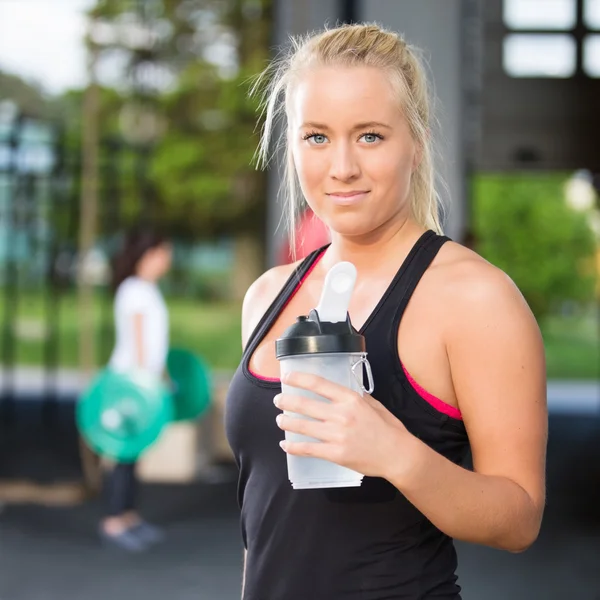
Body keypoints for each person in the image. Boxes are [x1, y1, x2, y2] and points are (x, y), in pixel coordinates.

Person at [224, 23, 547, 599]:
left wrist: (395, 453)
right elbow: (263, 523)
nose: (341, 167)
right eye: (316, 137)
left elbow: (519, 520)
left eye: (370, 136)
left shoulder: (474, 299)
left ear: (416, 142)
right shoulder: (266, 297)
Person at [100, 228, 173, 552]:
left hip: (141, 383)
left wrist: (164, 375)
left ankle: (129, 516)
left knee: (134, 453)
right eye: (164, 253)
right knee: (124, 453)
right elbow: (140, 341)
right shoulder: (134, 290)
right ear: (150, 255)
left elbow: (157, 343)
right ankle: (114, 521)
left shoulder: (147, 289)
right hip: (130, 385)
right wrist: (147, 384)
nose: (168, 259)